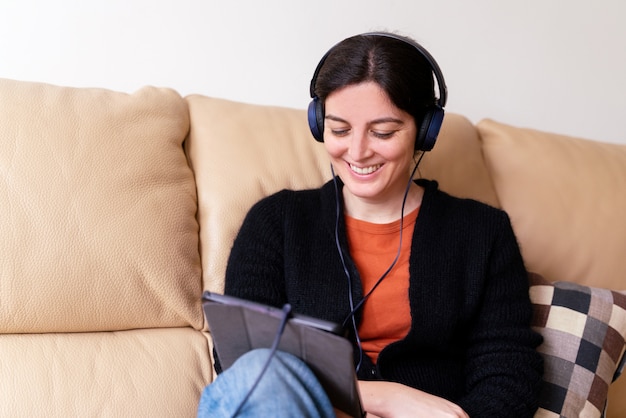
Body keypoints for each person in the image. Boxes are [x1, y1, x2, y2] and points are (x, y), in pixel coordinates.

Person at [198, 31, 543, 418]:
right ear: (318, 124)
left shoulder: (483, 232)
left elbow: (509, 374)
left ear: (425, 131)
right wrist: (386, 397)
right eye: (340, 130)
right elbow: (242, 365)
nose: (358, 151)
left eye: (383, 132)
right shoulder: (276, 221)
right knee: (252, 381)